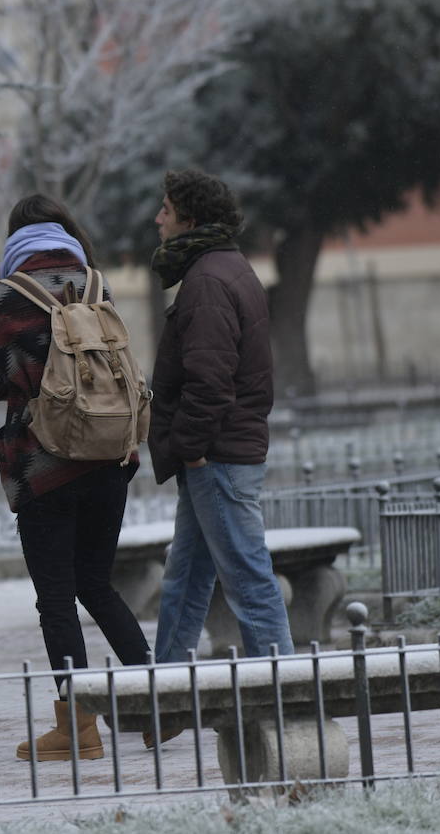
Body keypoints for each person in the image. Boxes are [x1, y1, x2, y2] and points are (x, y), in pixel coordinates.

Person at [0, 194, 151, 762]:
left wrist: (15, 372)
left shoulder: (4, 298)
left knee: (56, 599)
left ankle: (78, 727)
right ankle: (160, 703)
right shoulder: (97, 285)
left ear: (16, 242)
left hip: (46, 468)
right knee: (98, 583)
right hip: (111, 457)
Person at [147, 169, 294, 674]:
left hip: (217, 456)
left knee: (248, 582)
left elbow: (210, 382)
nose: (157, 219)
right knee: (185, 579)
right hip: (215, 454)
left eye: (166, 209)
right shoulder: (223, 268)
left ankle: (286, 693)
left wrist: (188, 446)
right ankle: (163, 694)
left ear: (190, 217)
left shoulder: (208, 281)